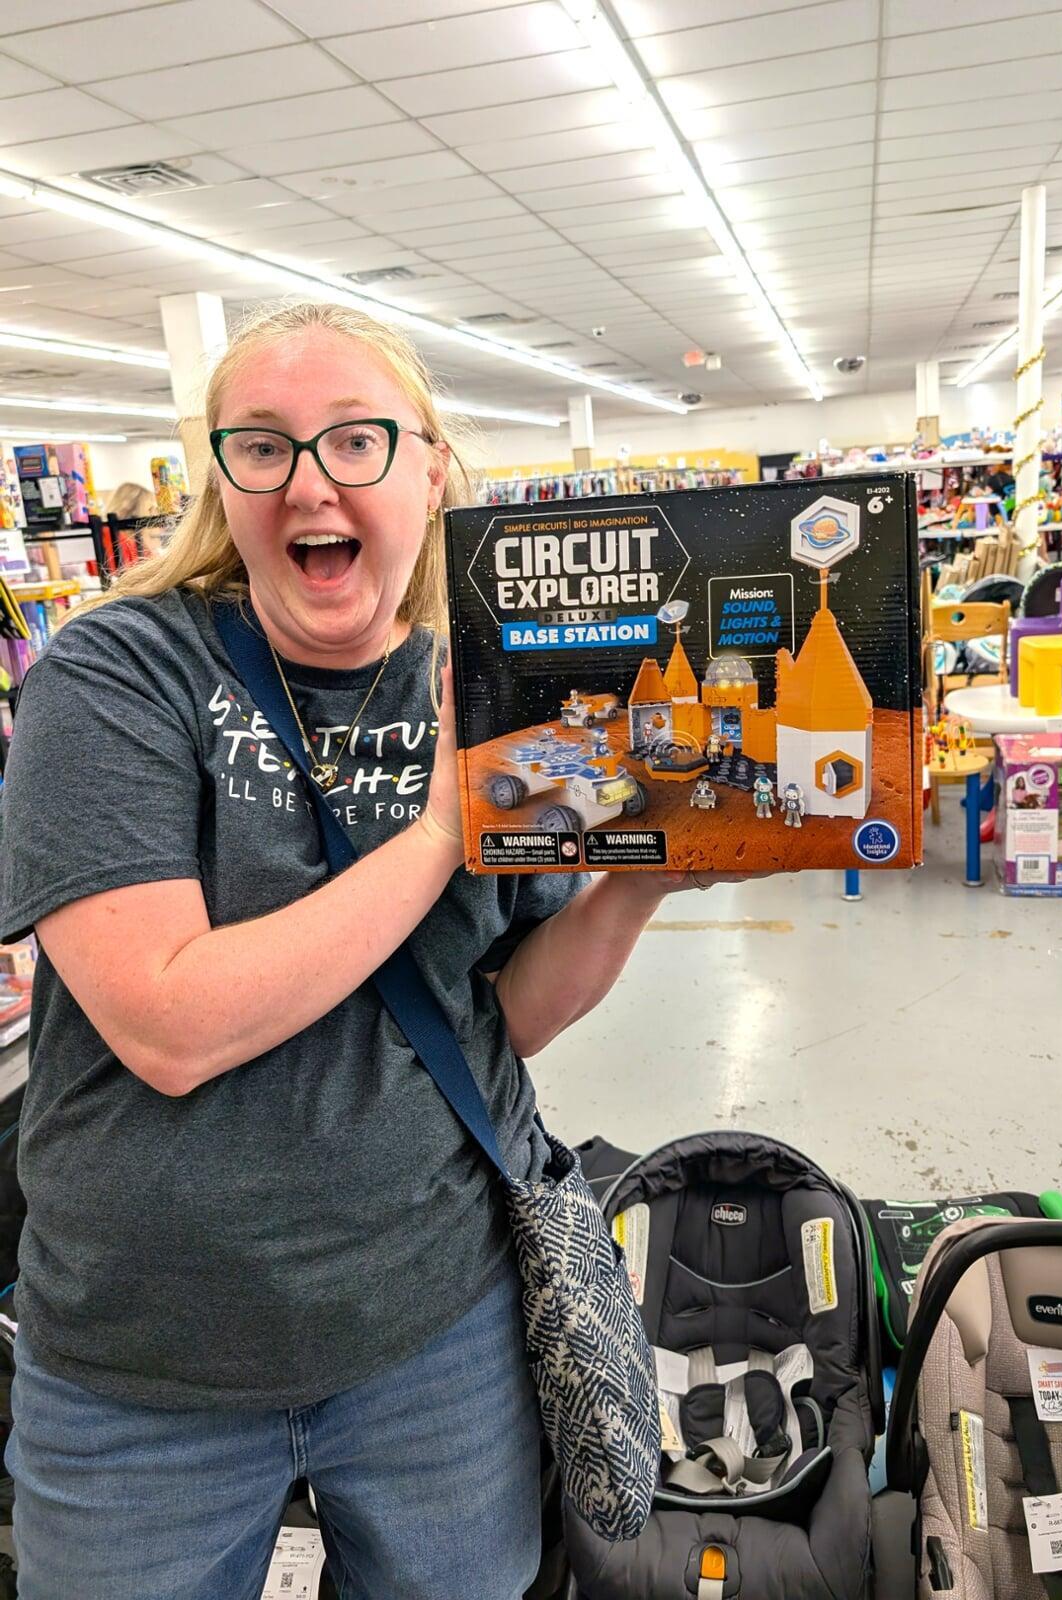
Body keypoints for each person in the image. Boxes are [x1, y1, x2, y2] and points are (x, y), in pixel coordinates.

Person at [0, 301, 730, 1600]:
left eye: (355, 440)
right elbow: (166, 1026)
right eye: (264, 448)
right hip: (142, 1370)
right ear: (222, 480)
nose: (309, 482)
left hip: (433, 1333)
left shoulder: (499, 692)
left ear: (429, 468)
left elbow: (503, 1016)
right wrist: (449, 826)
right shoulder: (118, 674)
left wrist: (644, 883)